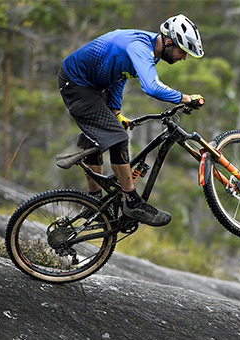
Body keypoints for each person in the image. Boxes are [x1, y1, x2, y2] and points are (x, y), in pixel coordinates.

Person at [59, 14, 205, 227]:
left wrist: (115, 111)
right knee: (117, 138)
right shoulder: (140, 47)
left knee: (102, 134)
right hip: (77, 83)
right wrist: (186, 98)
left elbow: (120, 75)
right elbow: (152, 87)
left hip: (94, 85)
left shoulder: (151, 51)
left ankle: (92, 202)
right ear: (169, 42)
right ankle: (132, 201)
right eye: (183, 52)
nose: (183, 58)